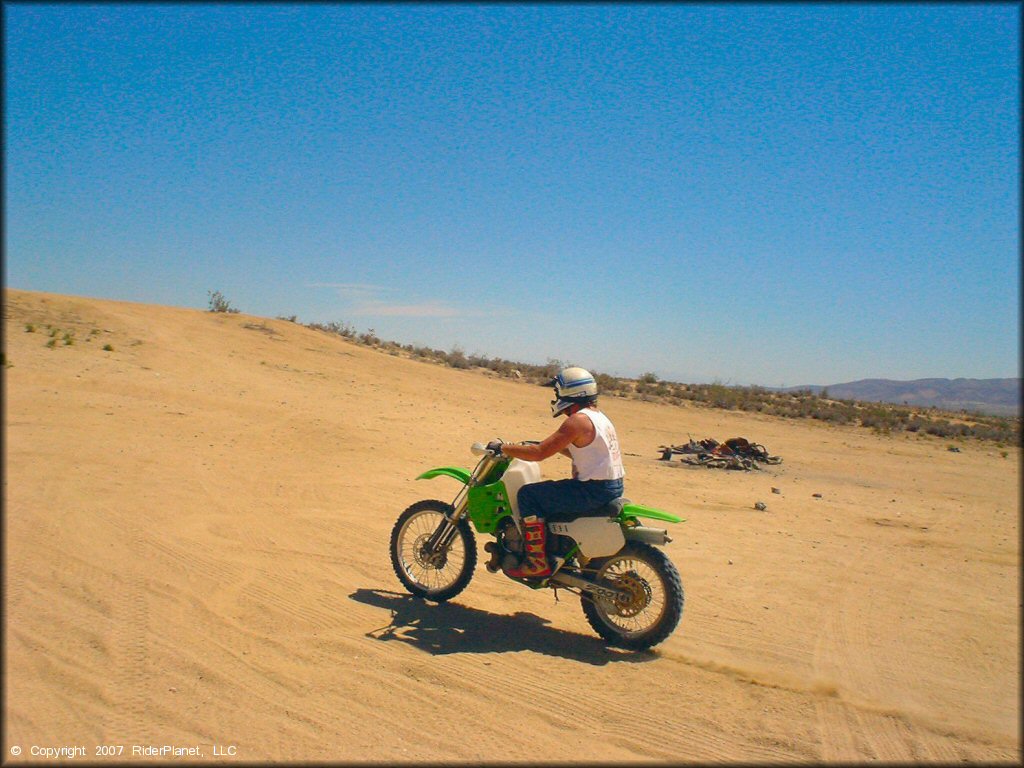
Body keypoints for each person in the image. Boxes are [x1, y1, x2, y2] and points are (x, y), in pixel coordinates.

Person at [494, 366, 625, 579]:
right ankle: (562, 551)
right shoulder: (598, 418)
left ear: (571, 393)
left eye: (557, 392)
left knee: (529, 495)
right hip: (611, 486)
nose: (556, 397)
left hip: (592, 490)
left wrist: (504, 448)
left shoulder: (577, 421)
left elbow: (539, 454)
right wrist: (540, 445)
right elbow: (580, 452)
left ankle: (536, 562)